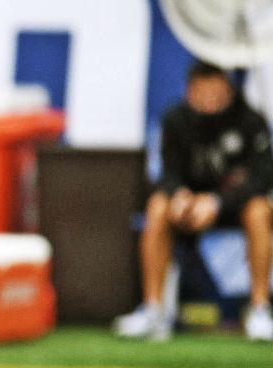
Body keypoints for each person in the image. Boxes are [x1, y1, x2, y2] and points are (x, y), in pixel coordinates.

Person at [116, 60, 273, 341]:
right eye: (204, 93)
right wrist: (179, 196)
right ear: (190, 92)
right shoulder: (175, 120)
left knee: (260, 210)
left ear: (229, 90)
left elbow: (261, 178)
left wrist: (217, 203)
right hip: (189, 206)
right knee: (158, 206)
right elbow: (167, 170)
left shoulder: (250, 120)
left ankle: (260, 309)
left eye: (218, 93)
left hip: (233, 205)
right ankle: (153, 308)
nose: (211, 101)